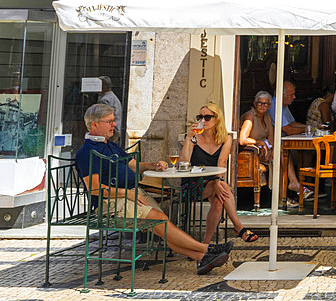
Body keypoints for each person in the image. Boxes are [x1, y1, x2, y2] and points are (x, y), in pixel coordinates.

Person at [75, 104, 232, 275]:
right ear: (94, 125)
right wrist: (126, 193)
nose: (114, 125)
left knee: (161, 224)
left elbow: (133, 165)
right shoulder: (87, 152)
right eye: (109, 122)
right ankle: (208, 249)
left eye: (114, 120)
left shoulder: (111, 146)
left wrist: (153, 166)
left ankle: (202, 258)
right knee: (160, 221)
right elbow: (95, 189)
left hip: (132, 194)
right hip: (111, 203)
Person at [180, 102, 258, 243]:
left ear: (217, 119)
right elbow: (183, 163)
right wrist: (188, 139)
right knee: (223, 187)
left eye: (207, 117)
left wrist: (216, 182)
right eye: (200, 117)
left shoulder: (225, 138)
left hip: (214, 181)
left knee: (218, 201)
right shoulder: (194, 137)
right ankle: (238, 227)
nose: (202, 121)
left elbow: (221, 163)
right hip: (192, 183)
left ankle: (205, 245)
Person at [267, 81, 310, 202]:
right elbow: (288, 129)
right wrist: (308, 128)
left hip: (283, 143)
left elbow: (292, 123)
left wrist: (310, 126)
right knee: (283, 151)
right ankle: (294, 184)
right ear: (282, 95)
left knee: (307, 153)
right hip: (274, 144)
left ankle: (301, 185)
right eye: (292, 95)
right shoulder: (275, 105)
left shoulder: (283, 106)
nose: (294, 97)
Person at [239, 91, 274, 183]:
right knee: (281, 158)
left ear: (269, 106)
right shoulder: (250, 116)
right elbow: (242, 140)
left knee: (281, 154)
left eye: (265, 104)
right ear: (255, 104)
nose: (262, 106)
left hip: (264, 151)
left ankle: (282, 193)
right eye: (260, 103)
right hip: (252, 153)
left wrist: (273, 150)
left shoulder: (267, 116)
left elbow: (271, 137)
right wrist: (260, 142)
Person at [97, 77, 123, 143]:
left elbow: (102, 118)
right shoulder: (113, 97)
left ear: (103, 86)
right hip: (116, 130)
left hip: (110, 131)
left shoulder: (104, 99)